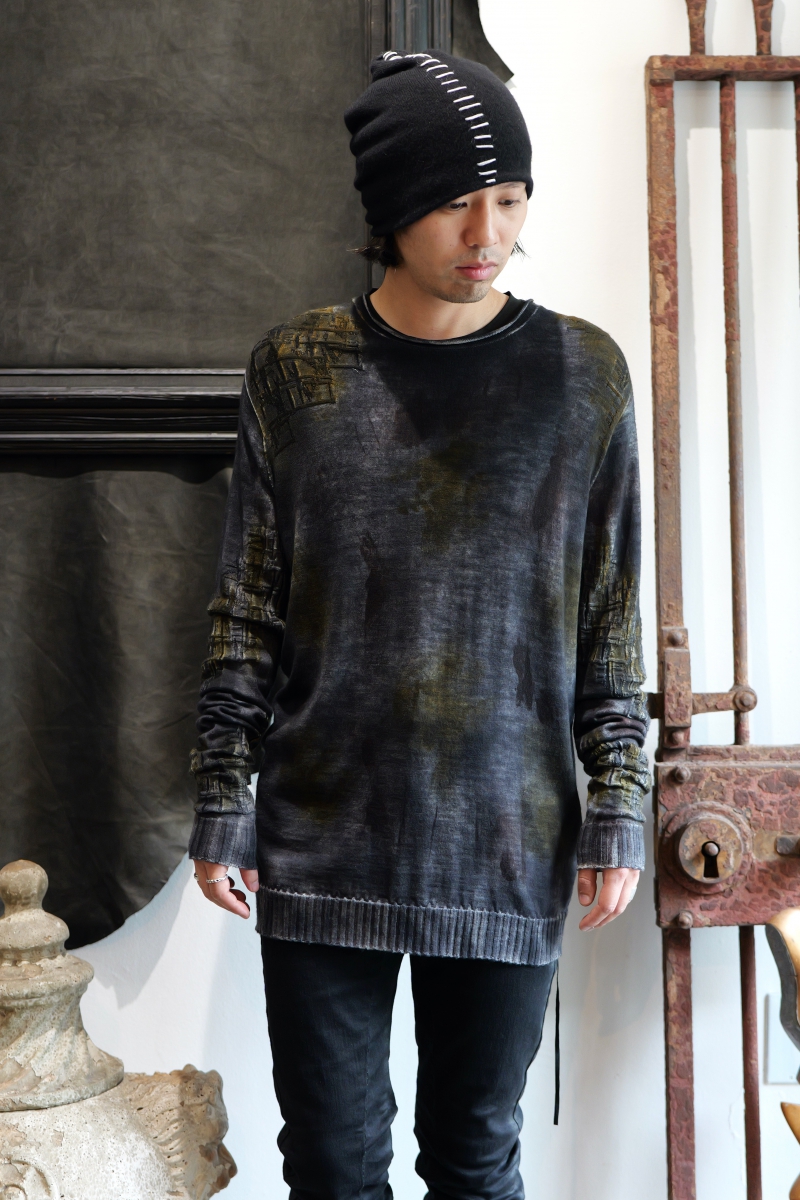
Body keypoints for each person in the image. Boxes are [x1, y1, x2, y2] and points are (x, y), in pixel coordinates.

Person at [189, 50, 650, 1200]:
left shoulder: (581, 376)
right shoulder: (296, 372)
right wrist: (221, 796)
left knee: (474, 1160)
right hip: (325, 831)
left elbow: (606, 616)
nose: (487, 234)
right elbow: (248, 605)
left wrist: (619, 804)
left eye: (509, 199)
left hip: (506, 835)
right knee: (332, 1167)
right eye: (454, 203)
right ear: (389, 211)